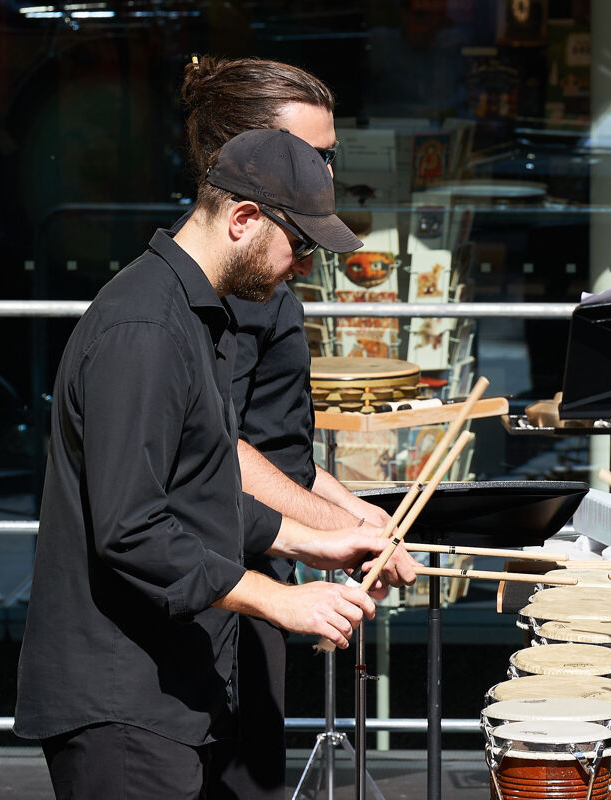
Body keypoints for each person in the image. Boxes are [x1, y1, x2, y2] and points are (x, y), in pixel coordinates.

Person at [14, 129, 414, 799]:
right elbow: (132, 528)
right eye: (302, 246)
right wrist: (282, 601)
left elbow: (197, 488)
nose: (304, 267)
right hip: (123, 701)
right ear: (244, 219)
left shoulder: (194, 317)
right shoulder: (144, 329)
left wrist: (315, 542)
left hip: (166, 692)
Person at [179, 55, 405, 798]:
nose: (329, 179)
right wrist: (327, 533)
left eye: (329, 159)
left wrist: (358, 515)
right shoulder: (205, 289)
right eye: (313, 158)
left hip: (256, 575)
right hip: (201, 591)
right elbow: (215, 448)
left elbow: (281, 453)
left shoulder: (267, 280)